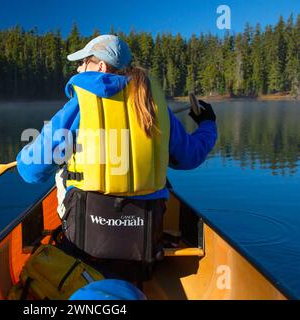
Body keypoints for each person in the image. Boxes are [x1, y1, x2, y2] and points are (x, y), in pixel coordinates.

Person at [16, 34, 217, 283]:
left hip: (86, 251)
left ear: (100, 66)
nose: (79, 69)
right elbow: (190, 156)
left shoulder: (78, 107)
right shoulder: (154, 106)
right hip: (142, 248)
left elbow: (31, 171)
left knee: (60, 172)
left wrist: (25, 156)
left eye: (83, 62)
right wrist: (208, 124)